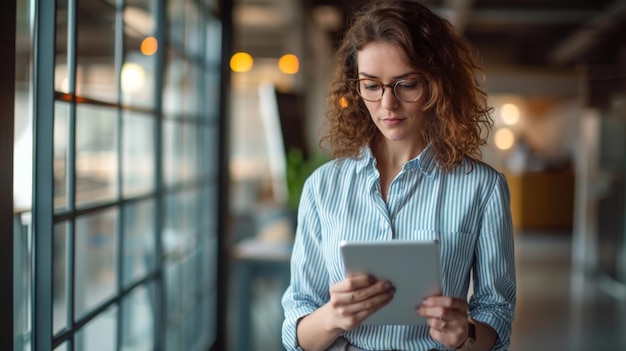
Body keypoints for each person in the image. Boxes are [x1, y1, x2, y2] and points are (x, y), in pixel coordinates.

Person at [281, 0, 516, 350]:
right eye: (371, 86)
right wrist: (333, 317)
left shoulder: (482, 187)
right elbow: (296, 332)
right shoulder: (323, 187)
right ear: (355, 88)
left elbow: (496, 313)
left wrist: (464, 334)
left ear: (437, 85)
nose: (387, 105)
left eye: (406, 84)